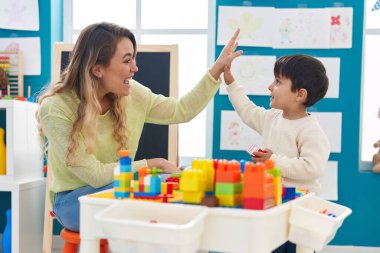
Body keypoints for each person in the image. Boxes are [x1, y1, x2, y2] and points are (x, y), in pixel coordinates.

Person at [37, 22, 242, 232]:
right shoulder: (55, 109)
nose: (135, 68)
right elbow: (95, 175)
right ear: (97, 69)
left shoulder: (132, 94)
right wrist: (155, 164)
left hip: (122, 188)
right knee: (160, 197)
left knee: (178, 189)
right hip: (74, 201)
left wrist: (217, 69)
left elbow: (181, 110)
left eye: (134, 58)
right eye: (127, 60)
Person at [223, 54, 330, 253]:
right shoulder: (272, 118)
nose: (270, 86)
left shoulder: (311, 130)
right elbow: (247, 110)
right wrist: (231, 83)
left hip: (299, 215)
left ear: (300, 94)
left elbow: (312, 168)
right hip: (273, 208)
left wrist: (272, 161)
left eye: (278, 82)